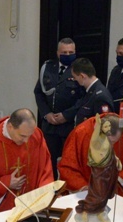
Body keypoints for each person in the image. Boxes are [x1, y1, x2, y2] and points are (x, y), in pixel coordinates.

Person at [58, 113, 123, 206]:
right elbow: (67, 167)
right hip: (88, 187)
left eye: (114, 142)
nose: (111, 146)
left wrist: (116, 179)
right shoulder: (81, 133)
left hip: (118, 187)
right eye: (109, 141)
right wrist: (84, 187)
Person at [34, 37, 85, 177]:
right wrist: (46, 114)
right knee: (48, 163)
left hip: (68, 126)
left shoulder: (80, 70)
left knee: (67, 164)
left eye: (71, 52)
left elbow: (84, 98)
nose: (68, 55)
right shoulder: (48, 67)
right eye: (64, 52)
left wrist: (66, 115)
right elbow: (39, 92)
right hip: (49, 126)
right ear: (58, 53)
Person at [70, 57, 114, 126]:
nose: (75, 80)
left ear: (82, 76)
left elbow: (104, 128)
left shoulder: (100, 97)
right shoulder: (89, 92)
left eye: (75, 77)